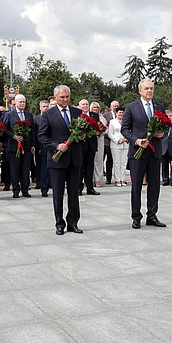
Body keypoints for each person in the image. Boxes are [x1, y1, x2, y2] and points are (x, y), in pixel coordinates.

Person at [121, 78, 167, 229]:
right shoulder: (131, 107)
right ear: (140, 90)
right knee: (136, 186)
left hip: (155, 152)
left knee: (154, 185)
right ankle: (136, 217)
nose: (149, 91)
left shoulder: (159, 106)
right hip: (138, 153)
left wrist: (162, 133)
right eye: (146, 88)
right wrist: (136, 141)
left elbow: (165, 127)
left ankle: (152, 215)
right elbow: (125, 130)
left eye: (151, 88)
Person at [37, 85, 84, 235]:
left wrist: (82, 136)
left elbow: (82, 132)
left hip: (74, 159)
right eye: (62, 97)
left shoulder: (77, 112)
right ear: (55, 98)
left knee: (73, 193)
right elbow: (42, 136)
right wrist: (56, 146)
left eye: (67, 97)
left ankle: (73, 223)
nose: (65, 100)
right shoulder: (48, 114)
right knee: (58, 193)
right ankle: (59, 224)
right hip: (57, 160)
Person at [2, 94, 35, 198]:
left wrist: (33, 144)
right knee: (15, 169)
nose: (22, 104)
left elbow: (33, 131)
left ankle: (25, 190)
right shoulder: (9, 115)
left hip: (26, 146)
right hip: (13, 146)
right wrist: (14, 136)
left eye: (24, 102)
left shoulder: (29, 115)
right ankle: (16, 190)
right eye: (20, 102)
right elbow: (4, 130)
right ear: (15, 103)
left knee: (25, 169)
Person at [78, 99, 100, 196]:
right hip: (81, 145)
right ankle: (79, 188)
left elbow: (98, 127)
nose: (85, 105)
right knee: (80, 167)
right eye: (83, 104)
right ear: (80, 106)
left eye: (87, 104)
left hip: (91, 144)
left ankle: (90, 188)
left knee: (89, 168)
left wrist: (98, 131)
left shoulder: (94, 115)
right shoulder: (77, 114)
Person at [107, 107, 129, 186]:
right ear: (116, 113)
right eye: (119, 112)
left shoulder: (127, 121)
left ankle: (122, 179)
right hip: (115, 144)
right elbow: (110, 133)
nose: (121, 114)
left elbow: (130, 131)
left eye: (122, 112)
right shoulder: (112, 122)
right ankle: (117, 179)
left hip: (126, 144)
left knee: (123, 162)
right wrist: (118, 140)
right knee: (117, 163)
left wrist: (126, 139)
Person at [33, 100, 50, 197]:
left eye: (47, 106)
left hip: (51, 146)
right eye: (44, 106)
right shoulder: (36, 119)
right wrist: (35, 146)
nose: (46, 108)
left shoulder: (52, 117)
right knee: (43, 168)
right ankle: (44, 188)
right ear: (40, 108)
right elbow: (35, 135)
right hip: (41, 147)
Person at [90, 102, 107, 188]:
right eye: (94, 107)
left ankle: (97, 179)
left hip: (100, 140)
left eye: (97, 107)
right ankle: (91, 179)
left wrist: (101, 132)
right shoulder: (89, 116)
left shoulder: (102, 118)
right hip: (92, 140)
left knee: (99, 161)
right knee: (91, 161)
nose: (95, 109)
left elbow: (106, 129)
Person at [102, 100, 119, 185]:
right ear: (111, 106)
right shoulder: (106, 115)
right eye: (114, 106)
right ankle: (104, 178)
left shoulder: (121, 115)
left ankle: (112, 178)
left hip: (116, 142)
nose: (116, 107)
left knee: (111, 160)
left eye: (117, 106)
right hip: (106, 141)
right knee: (103, 159)